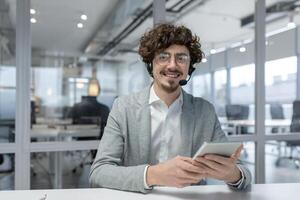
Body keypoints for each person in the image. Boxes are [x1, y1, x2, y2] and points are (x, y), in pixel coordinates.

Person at [89, 23, 251, 193]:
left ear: (189, 67)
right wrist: (153, 175)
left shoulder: (205, 111)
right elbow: (99, 172)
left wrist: (232, 174)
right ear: (151, 63)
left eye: (181, 58)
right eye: (163, 57)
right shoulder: (123, 107)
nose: (172, 65)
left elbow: (244, 174)